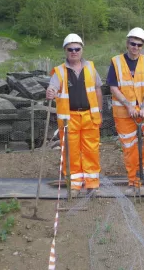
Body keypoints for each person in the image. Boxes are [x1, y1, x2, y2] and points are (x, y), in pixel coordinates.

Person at [107, 27, 144, 195]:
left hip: (143, 109)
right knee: (130, 147)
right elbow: (113, 86)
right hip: (123, 112)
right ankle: (134, 183)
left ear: (142, 46)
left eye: (139, 45)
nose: (135, 47)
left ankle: (143, 168)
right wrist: (128, 106)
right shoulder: (116, 62)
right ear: (127, 43)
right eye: (133, 44)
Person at [46, 33, 103, 198]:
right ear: (65, 51)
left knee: (91, 150)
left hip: (89, 117)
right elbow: (53, 86)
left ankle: (92, 184)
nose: (74, 52)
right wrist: (51, 91)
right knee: (70, 152)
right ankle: (75, 185)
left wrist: (99, 110)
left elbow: (98, 89)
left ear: (82, 49)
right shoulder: (59, 71)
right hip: (68, 119)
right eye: (70, 49)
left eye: (77, 48)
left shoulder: (91, 68)